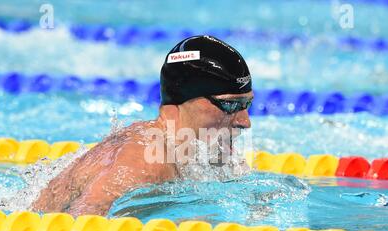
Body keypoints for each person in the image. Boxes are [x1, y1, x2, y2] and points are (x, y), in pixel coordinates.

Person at [32, 35, 254, 216]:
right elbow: (78, 229)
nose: (245, 122)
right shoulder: (143, 162)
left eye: (247, 105)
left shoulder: (211, 153)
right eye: (230, 104)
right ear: (181, 100)